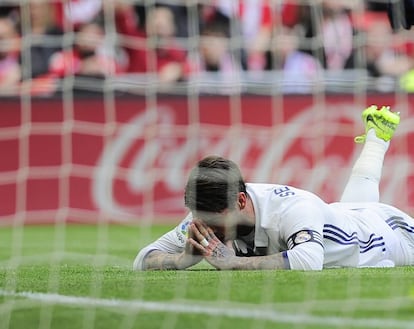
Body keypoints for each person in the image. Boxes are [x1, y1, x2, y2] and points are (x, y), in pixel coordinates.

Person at [133, 105, 413, 271]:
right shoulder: (206, 214)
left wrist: (234, 263)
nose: (211, 230)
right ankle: (377, 139)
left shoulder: (293, 207)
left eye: (217, 220)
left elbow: (308, 261)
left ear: (241, 201)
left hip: (391, 235)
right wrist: (181, 259)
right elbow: (142, 259)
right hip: (345, 214)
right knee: (355, 206)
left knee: (365, 213)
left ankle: (377, 141)